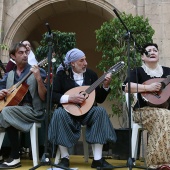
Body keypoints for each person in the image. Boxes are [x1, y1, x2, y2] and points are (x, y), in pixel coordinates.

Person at [48, 48, 117, 169]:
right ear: (72, 63)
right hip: (68, 112)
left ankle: (97, 159)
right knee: (58, 113)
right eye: (82, 60)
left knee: (100, 111)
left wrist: (105, 86)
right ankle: (65, 158)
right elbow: (53, 95)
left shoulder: (91, 75)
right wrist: (70, 98)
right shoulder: (62, 75)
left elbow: (99, 98)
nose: (85, 63)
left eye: (85, 60)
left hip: (88, 112)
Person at [122, 43, 170, 170]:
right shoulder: (137, 71)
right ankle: (157, 163)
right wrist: (148, 87)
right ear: (143, 57)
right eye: (148, 51)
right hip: (143, 110)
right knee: (165, 115)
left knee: (166, 115)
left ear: (159, 55)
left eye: (155, 50)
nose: (153, 52)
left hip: (165, 110)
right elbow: (126, 87)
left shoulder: (168, 72)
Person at [0, 42, 47, 169]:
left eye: (26, 52)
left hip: (33, 111)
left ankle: (15, 156)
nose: (25, 55)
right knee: (6, 111)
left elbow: (44, 97)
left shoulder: (38, 70)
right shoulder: (9, 74)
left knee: (6, 112)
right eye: (20, 53)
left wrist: (38, 79)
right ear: (13, 56)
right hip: (15, 110)